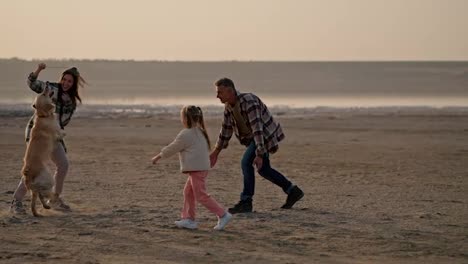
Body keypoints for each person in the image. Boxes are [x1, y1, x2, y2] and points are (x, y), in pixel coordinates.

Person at [209, 77, 304, 214]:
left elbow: (258, 129)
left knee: (246, 163)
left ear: (230, 91)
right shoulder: (229, 107)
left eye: (220, 92)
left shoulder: (249, 102)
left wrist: (259, 153)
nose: (217, 96)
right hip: (255, 139)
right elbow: (225, 130)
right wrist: (216, 152)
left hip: (264, 136)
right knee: (263, 169)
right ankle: (293, 191)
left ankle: (246, 201)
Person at [10, 62, 86, 214]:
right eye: (64, 79)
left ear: (73, 84)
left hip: (52, 135)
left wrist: (57, 133)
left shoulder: (71, 102)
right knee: (34, 167)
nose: (66, 83)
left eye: (69, 81)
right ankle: (16, 202)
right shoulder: (51, 89)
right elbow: (32, 84)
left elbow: (63, 123)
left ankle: (55, 199)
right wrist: (39, 69)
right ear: (61, 79)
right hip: (36, 131)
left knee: (63, 164)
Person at [152, 105, 233, 230]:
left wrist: (159, 156)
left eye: (182, 117)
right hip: (200, 168)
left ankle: (223, 214)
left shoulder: (187, 133)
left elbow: (174, 147)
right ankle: (189, 219)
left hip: (198, 169)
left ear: (186, 119)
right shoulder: (200, 131)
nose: (182, 120)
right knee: (188, 192)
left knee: (200, 195)